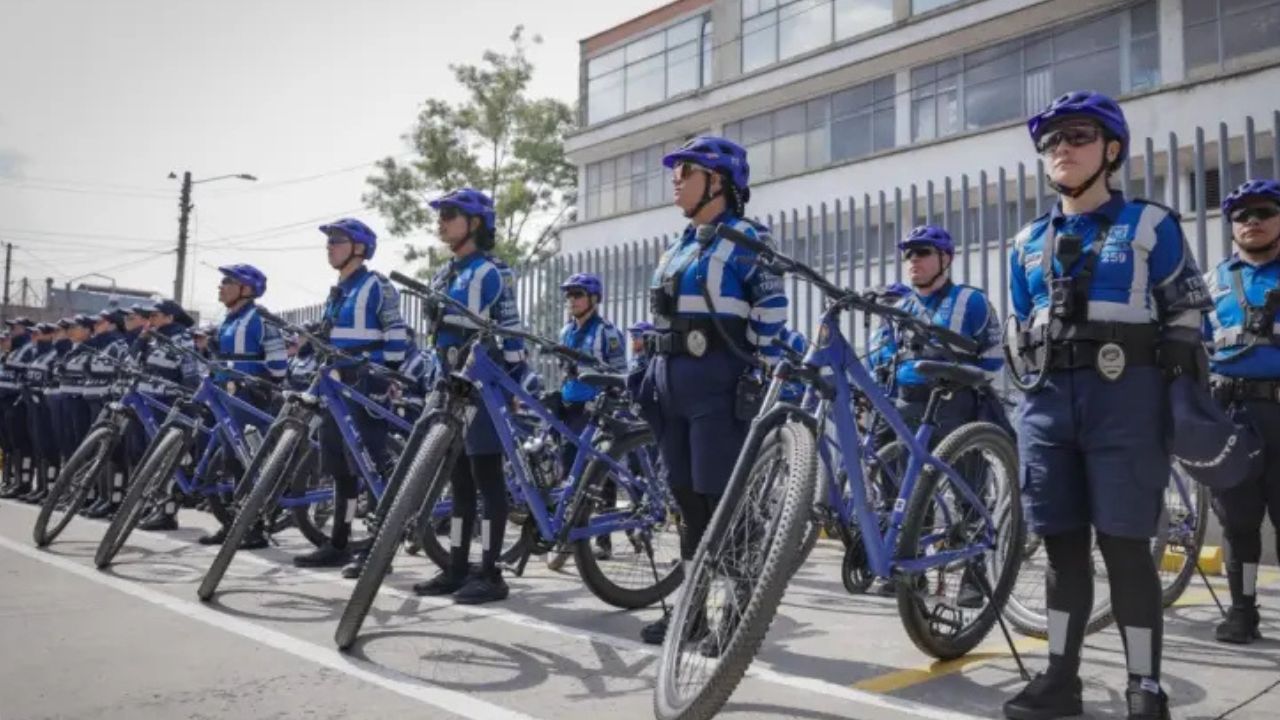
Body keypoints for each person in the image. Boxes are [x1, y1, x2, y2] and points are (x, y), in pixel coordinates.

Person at [1003, 92, 1211, 720]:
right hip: (1047, 406)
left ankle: (1145, 685)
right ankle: (1059, 680)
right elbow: (1021, 323)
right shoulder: (1025, 242)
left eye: (1079, 136)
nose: (1061, 149)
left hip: (1126, 400)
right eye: (1051, 141)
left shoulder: (1152, 225)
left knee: (1125, 546)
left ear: (1112, 150)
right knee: (1061, 546)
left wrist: (1180, 400)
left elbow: (1185, 314)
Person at [636, 136, 787, 644]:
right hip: (669, 381)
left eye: (686, 171)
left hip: (717, 382)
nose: (675, 180)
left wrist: (754, 368)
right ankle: (693, 611)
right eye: (675, 172)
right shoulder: (681, 242)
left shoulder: (749, 239)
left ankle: (739, 612)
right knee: (687, 501)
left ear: (717, 181)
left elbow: (771, 312)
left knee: (722, 499)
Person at [411, 187, 526, 605]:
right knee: (458, 482)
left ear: (475, 222)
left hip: (482, 388)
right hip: (448, 384)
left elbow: (512, 332)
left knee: (487, 478)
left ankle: (491, 573)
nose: (441, 222)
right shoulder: (445, 273)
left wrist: (514, 383)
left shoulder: (492, 271)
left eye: (449, 214)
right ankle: (456, 567)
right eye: (440, 215)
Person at [293, 217, 408, 570]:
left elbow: (396, 335)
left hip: (364, 385)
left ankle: (379, 549)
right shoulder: (339, 290)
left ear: (359, 248)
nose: (329, 247)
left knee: (371, 467)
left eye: (337, 240)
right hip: (335, 385)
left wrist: (380, 372)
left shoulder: (378, 285)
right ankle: (339, 543)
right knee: (341, 469)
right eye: (328, 241)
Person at [1202, 178, 1280, 645]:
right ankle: (1243, 610)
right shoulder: (1212, 282)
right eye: (1242, 215)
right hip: (1233, 415)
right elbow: (1190, 346)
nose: (1252, 221)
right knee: (1238, 521)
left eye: (1264, 212)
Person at [197, 264, 287, 548]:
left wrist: (256, 380)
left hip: (249, 396)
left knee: (250, 461)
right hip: (226, 395)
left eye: (228, 281)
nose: (221, 286)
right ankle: (234, 523)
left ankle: (256, 528)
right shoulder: (229, 320)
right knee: (231, 461)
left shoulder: (260, 319)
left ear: (246, 288)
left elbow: (278, 365)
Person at [553, 272, 627, 559]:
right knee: (569, 471)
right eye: (568, 295)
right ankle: (570, 533)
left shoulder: (608, 332)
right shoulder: (565, 331)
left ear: (594, 299)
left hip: (596, 411)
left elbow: (619, 374)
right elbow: (563, 370)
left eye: (578, 294)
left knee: (601, 473)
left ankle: (603, 540)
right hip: (570, 411)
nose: (571, 300)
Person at [134, 299, 202, 531]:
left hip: (171, 403)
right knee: (154, 456)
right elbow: (133, 362)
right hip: (151, 402)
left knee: (170, 459)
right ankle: (154, 505)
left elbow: (190, 373)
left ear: (170, 317)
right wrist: (141, 340)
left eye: (155, 315)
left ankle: (168, 513)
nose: (150, 320)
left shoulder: (182, 338)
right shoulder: (155, 339)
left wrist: (188, 404)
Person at [80, 308, 132, 518]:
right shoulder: (100, 344)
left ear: (112, 324)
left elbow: (105, 369)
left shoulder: (118, 345)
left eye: (100, 322)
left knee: (112, 452)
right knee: (99, 450)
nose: (96, 325)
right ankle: (101, 497)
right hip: (96, 400)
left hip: (109, 399)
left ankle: (114, 499)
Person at [0, 318, 37, 499]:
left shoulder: (28, 349)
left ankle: (23, 482)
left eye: (15, 327)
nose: (11, 331)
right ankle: (10, 480)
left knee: (21, 444)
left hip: (17, 401)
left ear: (26, 329)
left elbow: (25, 376)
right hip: (4, 400)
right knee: (9, 444)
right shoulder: (13, 351)